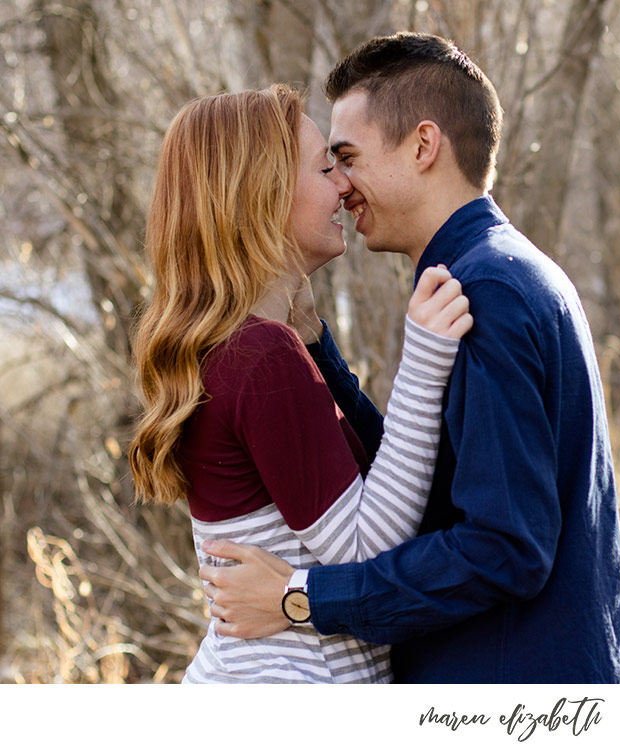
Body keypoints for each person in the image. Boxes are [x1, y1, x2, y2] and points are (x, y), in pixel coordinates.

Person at [200, 33, 620, 683]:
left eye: (346, 157)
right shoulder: (486, 272)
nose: (339, 185)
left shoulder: (486, 292)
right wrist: (323, 353)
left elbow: (504, 547)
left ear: (424, 146)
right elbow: (429, 487)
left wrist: (302, 600)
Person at [127, 84, 473, 683]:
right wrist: (422, 362)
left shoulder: (236, 346)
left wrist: (316, 341)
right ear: (262, 197)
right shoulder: (261, 357)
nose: (343, 184)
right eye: (322, 168)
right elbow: (367, 547)